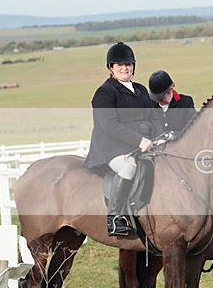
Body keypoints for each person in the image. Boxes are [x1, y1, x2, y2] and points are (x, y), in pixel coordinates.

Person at [83, 42, 161, 236]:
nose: (125, 68)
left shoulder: (141, 89)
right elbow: (110, 126)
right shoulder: (105, 92)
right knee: (129, 167)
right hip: (112, 148)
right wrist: (139, 141)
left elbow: (153, 116)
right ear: (111, 68)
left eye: (128, 64)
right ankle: (115, 218)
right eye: (120, 64)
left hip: (141, 146)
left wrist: (159, 137)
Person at [148, 70, 197, 136]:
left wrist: (172, 135)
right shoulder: (149, 105)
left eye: (160, 97)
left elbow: (194, 129)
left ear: (170, 89)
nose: (156, 100)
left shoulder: (186, 102)